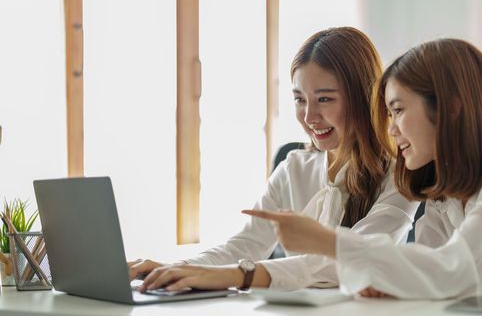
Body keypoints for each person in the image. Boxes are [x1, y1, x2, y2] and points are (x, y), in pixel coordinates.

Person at [244, 38, 482, 299]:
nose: (391, 130)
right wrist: (390, 279)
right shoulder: (444, 182)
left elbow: (455, 270)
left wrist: (331, 243)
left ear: (449, 108)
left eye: (398, 110)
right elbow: (428, 260)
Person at [131, 27, 418, 293]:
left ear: (363, 97)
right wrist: (182, 269)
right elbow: (246, 244)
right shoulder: (294, 167)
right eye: (299, 99)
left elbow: (351, 261)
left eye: (325, 99)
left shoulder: (400, 174)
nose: (309, 117)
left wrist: (238, 276)